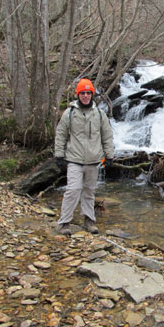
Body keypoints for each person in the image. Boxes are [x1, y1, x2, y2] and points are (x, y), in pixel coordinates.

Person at [54, 78, 114, 236]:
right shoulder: (70, 113)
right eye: (83, 93)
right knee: (73, 190)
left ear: (92, 94)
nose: (86, 96)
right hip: (74, 159)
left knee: (89, 191)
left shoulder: (100, 114)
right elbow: (61, 134)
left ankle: (89, 220)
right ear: (78, 94)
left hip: (94, 161)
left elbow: (107, 136)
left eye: (88, 93)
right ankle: (64, 223)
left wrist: (109, 156)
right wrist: (59, 155)